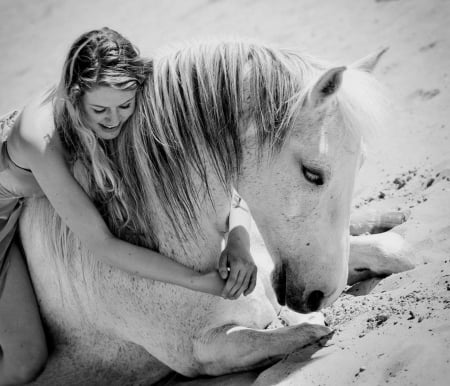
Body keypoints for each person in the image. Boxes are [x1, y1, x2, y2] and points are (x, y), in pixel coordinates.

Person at [0, 27, 256, 385]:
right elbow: (102, 244)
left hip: (30, 207)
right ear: (75, 97)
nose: (114, 119)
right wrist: (197, 281)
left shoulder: (130, 94)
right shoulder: (40, 139)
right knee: (25, 359)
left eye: (124, 106)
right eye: (99, 109)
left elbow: (215, 176)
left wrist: (239, 239)